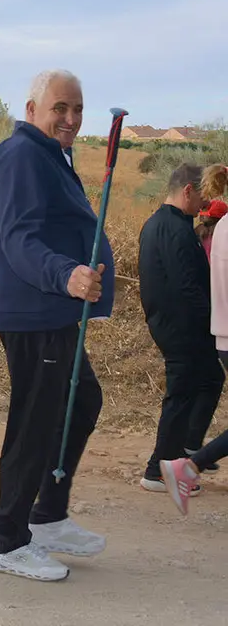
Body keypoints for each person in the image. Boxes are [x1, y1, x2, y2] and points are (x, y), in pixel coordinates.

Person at [0, 69, 113, 582]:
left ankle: (48, 516)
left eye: (77, 109)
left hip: (54, 310)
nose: (72, 119)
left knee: (81, 401)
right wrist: (66, 274)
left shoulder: (48, 156)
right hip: (35, 310)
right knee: (34, 421)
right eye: (61, 108)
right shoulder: (21, 157)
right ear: (32, 108)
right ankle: (6, 540)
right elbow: (20, 239)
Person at [137, 164, 225, 494]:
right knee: (182, 394)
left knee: (209, 380)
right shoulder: (175, 229)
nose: (204, 203)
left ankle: (187, 449)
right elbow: (187, 287)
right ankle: (158, 470)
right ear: (188, 190)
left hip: (169, 323)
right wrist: (212, 323)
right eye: (202, 195)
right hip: (182, 327)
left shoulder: (159, 223)